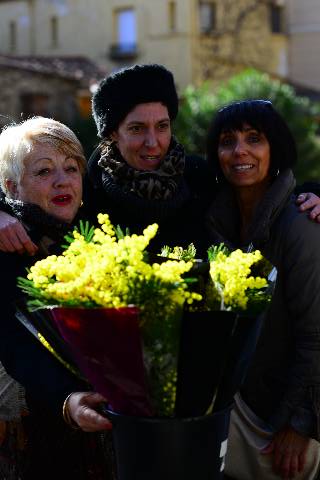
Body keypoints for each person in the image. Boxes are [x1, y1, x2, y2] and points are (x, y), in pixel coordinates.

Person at [1, 64, 319, 259]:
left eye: (162, 126)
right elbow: (26, 197)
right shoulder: (84, 188)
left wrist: (315, 194)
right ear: (112, 134)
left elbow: (267, 191)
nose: (153, 143)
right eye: (137, 129)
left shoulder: (200, 177)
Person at [205, 99, 320, 479]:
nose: (240, 150)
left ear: (277, 150)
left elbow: (316, 335)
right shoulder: (214, 223)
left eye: (254, 138)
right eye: (227, 141)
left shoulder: (300, 224)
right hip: (234, 411)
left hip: (285, 424)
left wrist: (301, 424)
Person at [0, 117, 113, 479]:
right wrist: (67, 399)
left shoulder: (92, 241)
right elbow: (14, 343)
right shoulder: (7, 251)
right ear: (11, 187)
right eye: (44, 171)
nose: (63, 180)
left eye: (71, 168)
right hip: (24, 432)